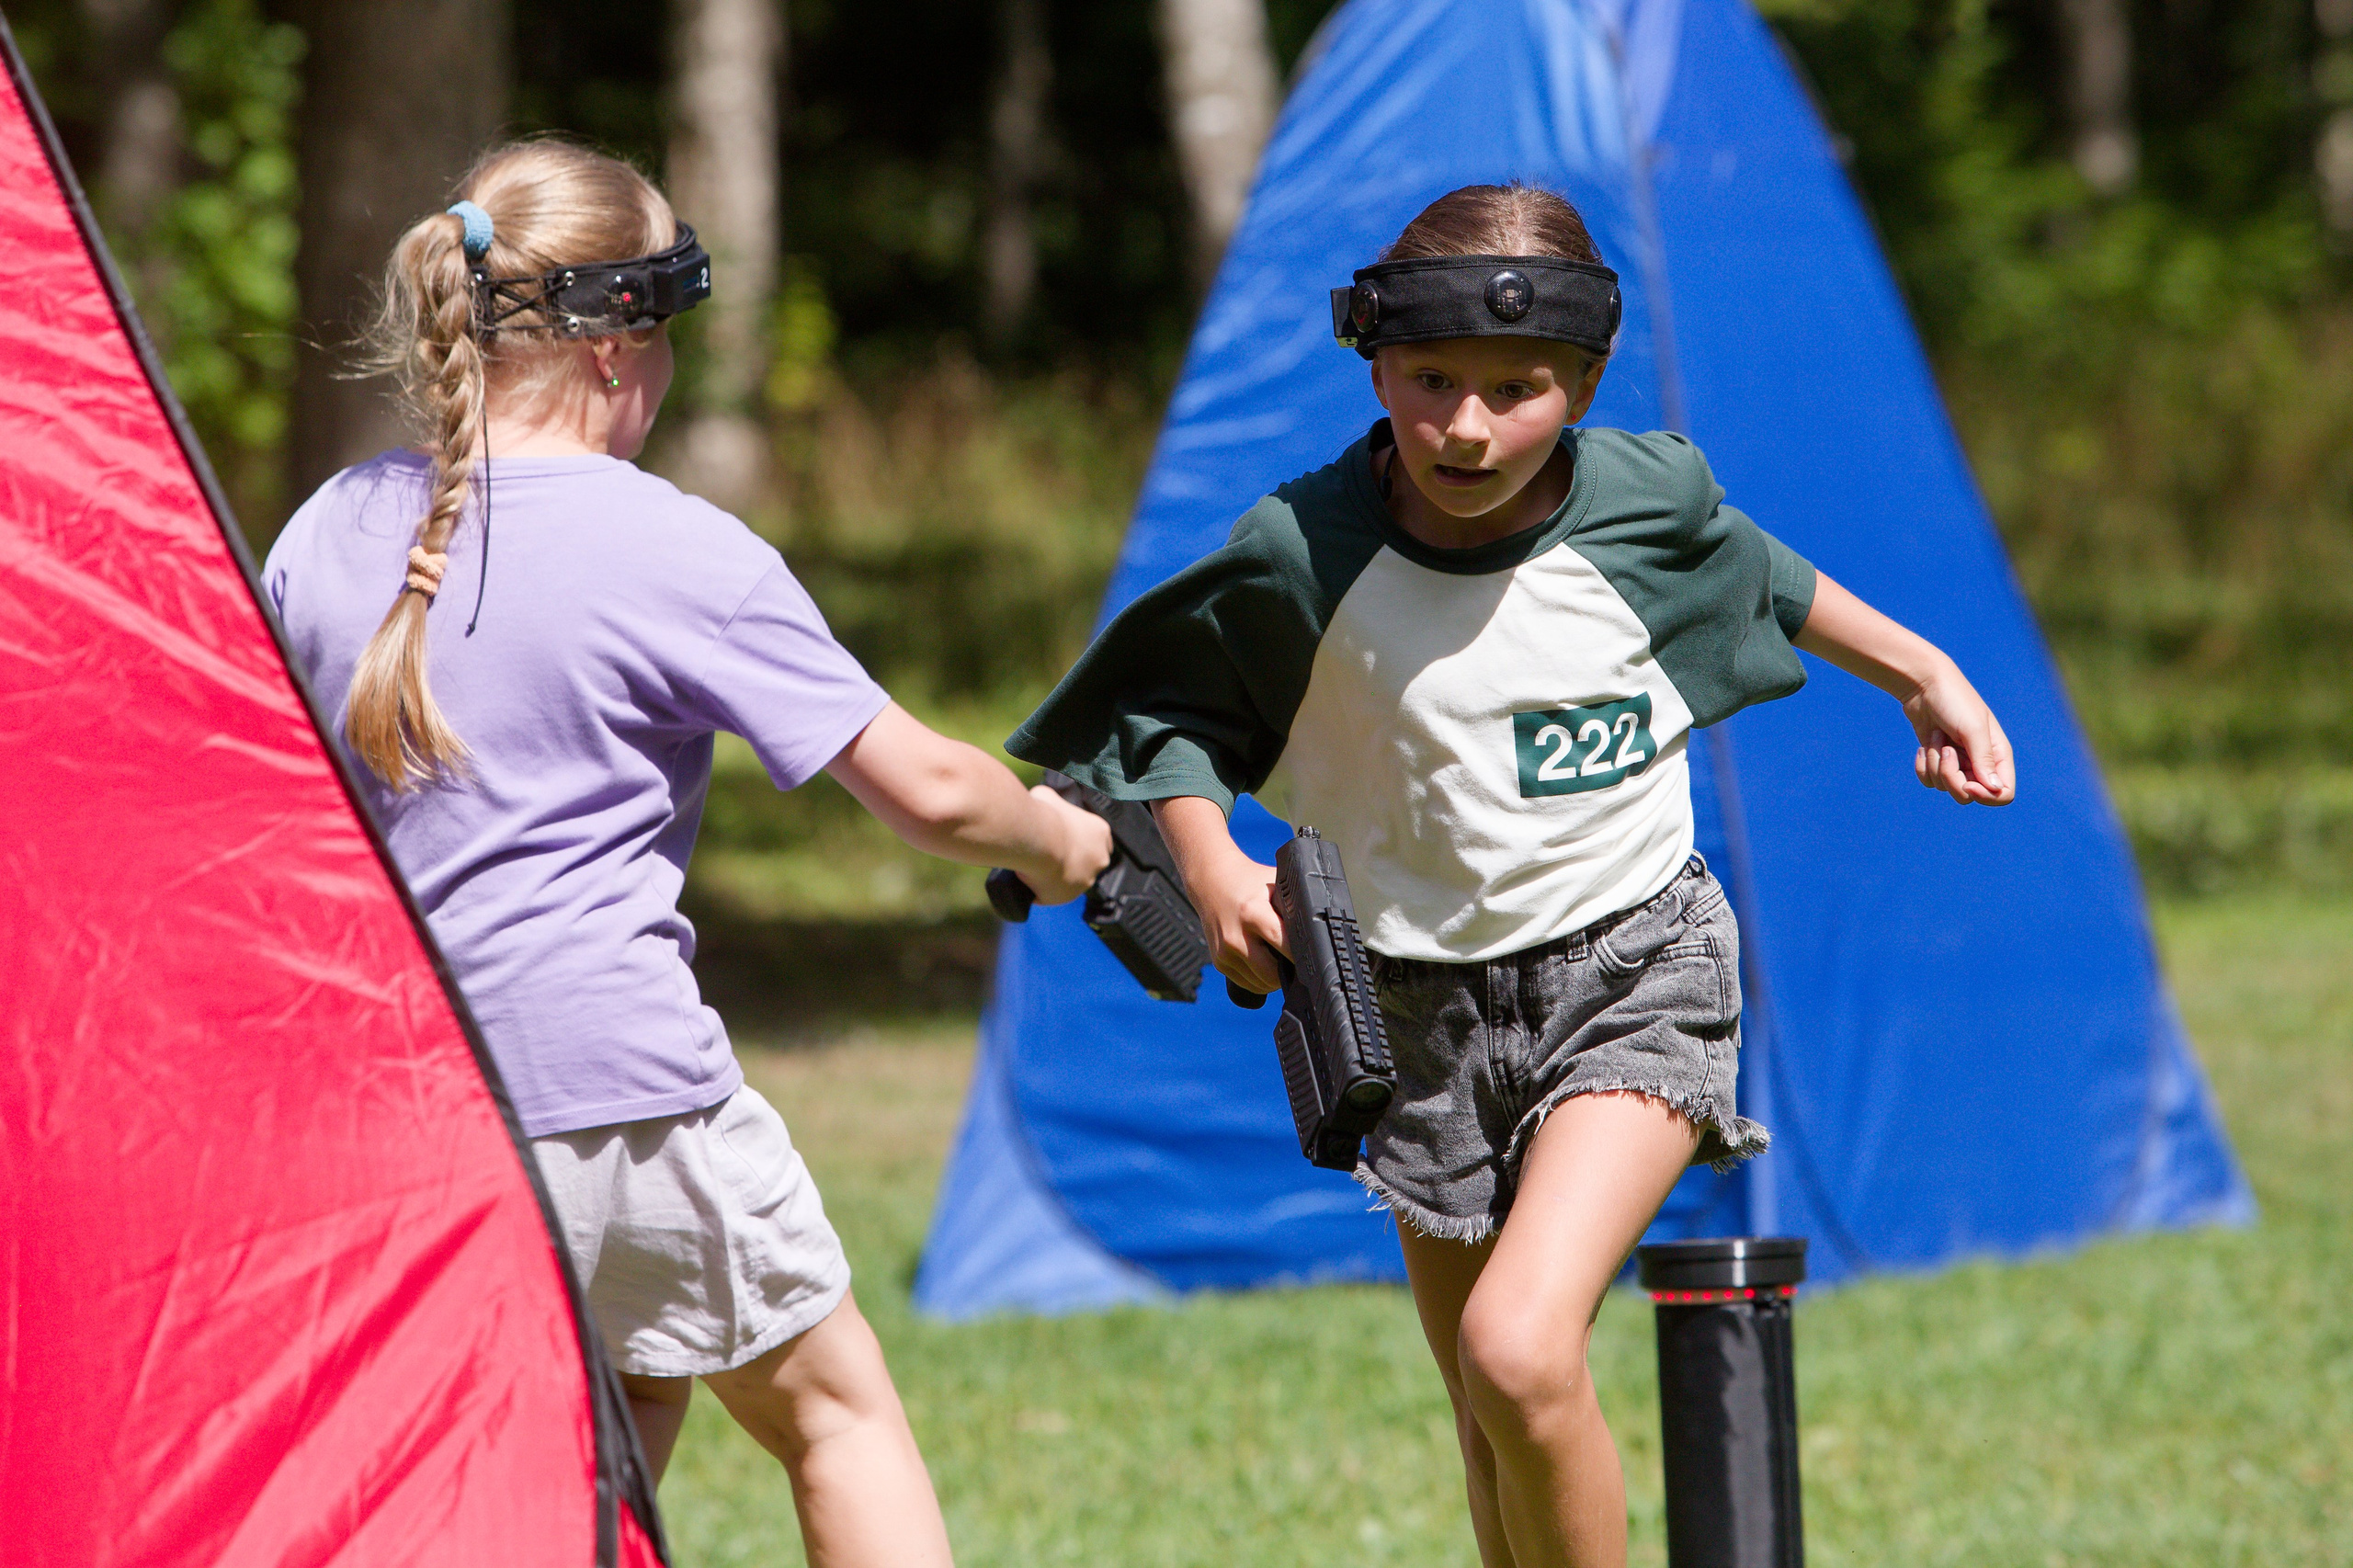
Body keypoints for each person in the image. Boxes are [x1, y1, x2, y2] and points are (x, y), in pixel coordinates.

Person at [1008, 183, 2015, 1568]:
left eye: (1516, 388)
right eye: (1432, 381)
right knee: (1491, 1422)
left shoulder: (1643, 502)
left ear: (1584, 383)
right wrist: (1211, 859)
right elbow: (1169, 716)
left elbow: (1762, 575)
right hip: (1411, 1013)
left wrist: (1923, 673)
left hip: (1635, 969)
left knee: (1519, 1348)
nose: (1468, 428)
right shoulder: (1303, 551)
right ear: (1374, 363)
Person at [263, 140, 1109, 1568]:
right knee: (834, 1418)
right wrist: (1059, 835)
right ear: (618, 346)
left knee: (600, 1425)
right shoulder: (677, 548)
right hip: (625, 1099)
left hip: (400, 1110)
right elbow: (932, 792)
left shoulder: (330, 529)